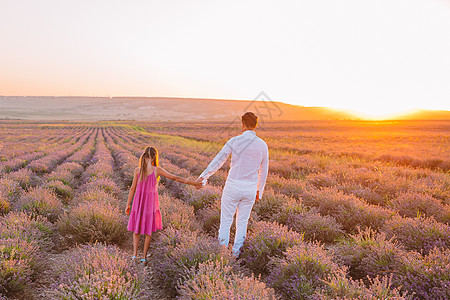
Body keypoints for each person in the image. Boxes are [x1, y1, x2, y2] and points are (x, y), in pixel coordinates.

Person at [198, 112, 269, 256]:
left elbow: (218, 161)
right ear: (255, 125)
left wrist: (203, 177)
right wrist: (258, 191)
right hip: (250, 188)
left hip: (233, 186)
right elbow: (264, 171)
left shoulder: (235, 141)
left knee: (226, 220)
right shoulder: (262, 145)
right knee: (242, 222)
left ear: (242, 124)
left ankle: (222, 252)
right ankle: (236, 254)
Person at [125, 146, 203, 264]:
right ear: (154, 157)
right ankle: (144, 258)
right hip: (150, 204)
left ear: (144, 156)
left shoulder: (138, 170)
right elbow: (175, 178)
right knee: (148, 231)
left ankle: (134, 255)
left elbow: (132, 189)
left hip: (138, 203)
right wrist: (194, 183)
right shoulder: (157, 170)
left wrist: (128, 204)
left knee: (136, 230)